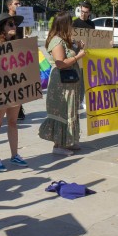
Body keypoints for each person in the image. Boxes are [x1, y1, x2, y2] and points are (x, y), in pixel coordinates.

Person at [38, 11, 85, 156]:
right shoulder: (56, 41)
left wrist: (77, 47)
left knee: (70, 109)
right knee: (62, 111)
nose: (72, 26)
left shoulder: (65, 40)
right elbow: (61, 63)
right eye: (70, 23)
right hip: (61, 83)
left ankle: (68, 140)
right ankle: (58, 144)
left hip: (69, 82)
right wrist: (78, 56)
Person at [0, 13, 29, 171]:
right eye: (10, 24)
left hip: (14, 88)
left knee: (13, 121)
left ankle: (14, 155)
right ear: (1, 28)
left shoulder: (17, 44)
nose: (14, 27)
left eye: (14, 24)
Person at [6, 0, 26, 121]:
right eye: (16, 4)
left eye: (20, 4)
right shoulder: (5, 19)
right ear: (9, 6)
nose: (19, 6)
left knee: (20, 82)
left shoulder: (20, 20)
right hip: (8, 55)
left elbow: (22, 36)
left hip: (19, 54)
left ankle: (19, 107)